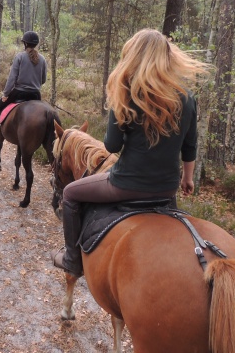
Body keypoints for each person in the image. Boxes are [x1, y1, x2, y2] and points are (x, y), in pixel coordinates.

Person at [50, 28, 208, 277]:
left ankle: (72, 259)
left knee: (70, 194)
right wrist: (187, 178)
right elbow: (190, 145)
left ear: (133, 56)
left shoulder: (127, 91)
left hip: (125, 185)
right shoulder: (187, 98)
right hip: (167, 190)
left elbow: (112, 146)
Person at [0, 31, 48, 141]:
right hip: (36, 95)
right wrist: (34, 84)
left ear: (25, 44)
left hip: (19, 92)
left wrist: (6, 94)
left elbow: (12, 78)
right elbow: (43, 80)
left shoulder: (20, 57)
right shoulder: (43, 59)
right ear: (35, 44)